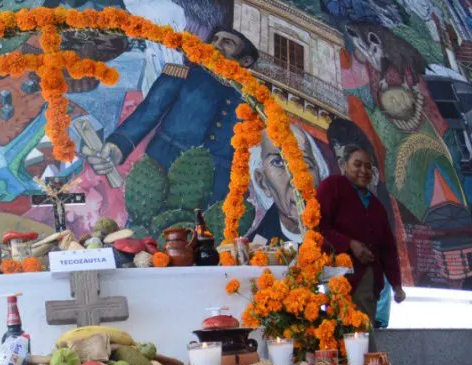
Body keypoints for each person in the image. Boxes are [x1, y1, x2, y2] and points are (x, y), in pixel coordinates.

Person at [82, 28, 258, 205]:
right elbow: (148, 111)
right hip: (161, 172)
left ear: (246, 60)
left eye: (228, 43)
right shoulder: (181, 73)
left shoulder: (253, 103)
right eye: (215, 39)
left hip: (214, 190)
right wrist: (117, 147)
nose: (215, 46)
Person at [316, 144, 406, 350]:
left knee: (361, 331)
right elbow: (319, 226)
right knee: (349, 334)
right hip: (341, 276)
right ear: (343, 165)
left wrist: (397, 284)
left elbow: (388, 247)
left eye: (369, 167)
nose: (363, 171)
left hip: (369, 280)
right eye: (357, 165)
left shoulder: (375, 205)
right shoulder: (334, 186)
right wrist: (350, 244)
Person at [247, 126, 329, 245]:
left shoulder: (343, 239)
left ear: (319, 175)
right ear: (263, 182)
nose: (295, 179)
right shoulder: (256, 248)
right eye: (279, 163)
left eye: (304, 162)